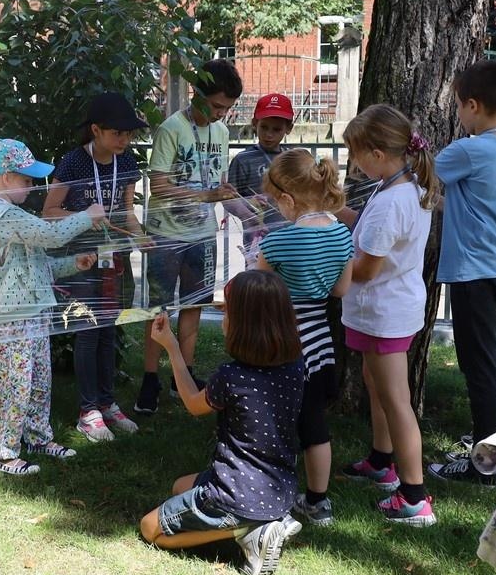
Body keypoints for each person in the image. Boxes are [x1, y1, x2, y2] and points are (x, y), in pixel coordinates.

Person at [140, 270, 307, 575]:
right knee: (179, 486)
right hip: (278, 488)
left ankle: (246, 532)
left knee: (150, 529)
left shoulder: (233, 377)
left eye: (227, 311)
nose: (224, 317)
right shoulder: (296, 367)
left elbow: (192, 403)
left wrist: (172, 347)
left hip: (235, 493)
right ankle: (266, 521)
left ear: (243, 324)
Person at [426, 60, 496, 486]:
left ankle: (483, 466)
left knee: (480, 367)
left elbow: (423, 172)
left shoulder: (469, 149)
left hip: (476, 273)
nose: (458, 115)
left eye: (459, 107)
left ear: (472, 105)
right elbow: (474, 206)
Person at [0, 139, 103, 475]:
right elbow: (50, 235)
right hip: (16, 315)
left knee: (38, 379)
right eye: (26, 179)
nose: (32, 186)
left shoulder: (12, 214)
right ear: (4, 178)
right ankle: (3, 452)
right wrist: (86, 217)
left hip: (33, 311)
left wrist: (76, 263)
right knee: (14, 382)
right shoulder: (5, 215)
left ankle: (36, 436)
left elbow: (40, 264)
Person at [337, 104, 439, 526]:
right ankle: (381, 462)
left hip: (383, 311)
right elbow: (366, 227)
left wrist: (327, 260)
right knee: (375, 385)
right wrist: (332, 211)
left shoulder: (392, 200)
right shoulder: (402, 186)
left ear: (377, 154)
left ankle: (414, 496)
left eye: (357, 154)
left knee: (396, 400)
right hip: (386, 308)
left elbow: (364, 268)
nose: (354, 163)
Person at [136, 59, 243, 415]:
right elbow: (160, 186)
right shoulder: (171, 129)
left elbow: (216, 180)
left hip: (202, 233)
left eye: (227, 109)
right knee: (159, 307)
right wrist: (205, 196)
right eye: (216, 106)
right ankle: (150, 378)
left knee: (194, 304)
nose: (220, 115)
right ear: (196, 94)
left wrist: (227, 195)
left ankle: (185, 374)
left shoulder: (222, 133)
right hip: (166, 234)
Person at [253, 149, 353, 525]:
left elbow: (258, 290)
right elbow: (341, 290)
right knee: (314, 425)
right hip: (322, 347)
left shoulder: (278, 242)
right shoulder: (342, 234)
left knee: (274, 422)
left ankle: (269, 491)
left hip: (284, 345)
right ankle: (318, 501)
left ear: (288, 199)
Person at [44, 92, 148, 443]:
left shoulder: (127, 161)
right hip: (81, 260)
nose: (124, 140)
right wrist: (84, 216)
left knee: (108, 330)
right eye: (117, 133)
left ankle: (107, 403)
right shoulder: (73, 162)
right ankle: (87, 411)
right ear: (95, 130)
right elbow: (49, 212)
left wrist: (141, 237)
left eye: (128, 134)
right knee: (87, 333)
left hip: (113, 260)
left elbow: (127, 213)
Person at [225, 92, 295, 265]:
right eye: (264, 127)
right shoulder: (243, 159)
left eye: (276, 129)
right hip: (256, 241)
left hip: (292, 240)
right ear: (255, 124)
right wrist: (249, 207)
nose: (269, 134)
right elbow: (229, 198)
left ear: (289, 129)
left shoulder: (294, 159)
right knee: (258, 288)